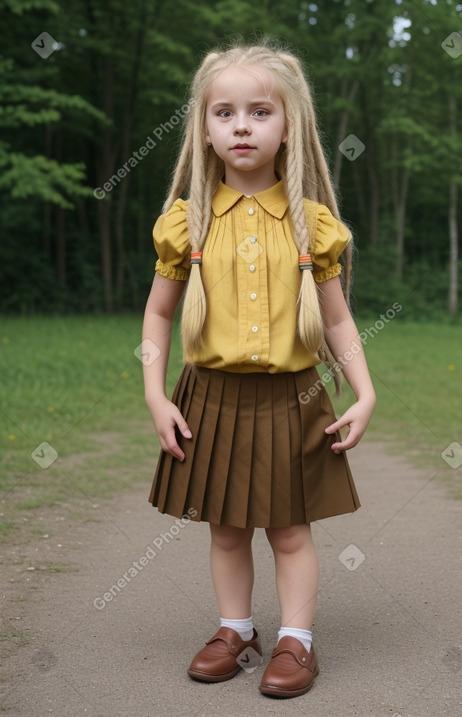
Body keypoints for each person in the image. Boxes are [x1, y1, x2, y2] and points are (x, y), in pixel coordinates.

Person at [142, 40, 376, 698]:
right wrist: (156, 396)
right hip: (208, 395)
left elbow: (336, 321)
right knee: (226, 525)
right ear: (205, 129)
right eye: (224, 112)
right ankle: (235, 628)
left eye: (259, 111)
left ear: (288, 126)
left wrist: (365, 390)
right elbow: (159, 316)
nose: (241, 125)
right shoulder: (187, 223)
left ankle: (296, 642)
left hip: (294, 396)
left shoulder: (313, 227)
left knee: (290, 528)